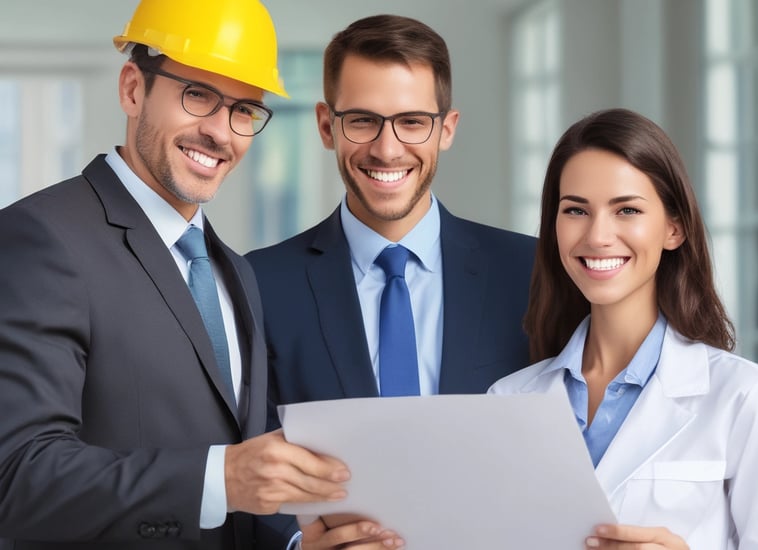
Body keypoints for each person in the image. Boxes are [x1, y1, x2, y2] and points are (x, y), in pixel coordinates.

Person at [0, 1, 351, 548]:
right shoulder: (40, 239)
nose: (220, 132)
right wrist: (219, 478)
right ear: (133, 89)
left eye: (243, 110)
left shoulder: (234, 271)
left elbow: (243, 478)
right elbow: (18, 479)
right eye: (198, 95)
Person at [245, 13, 536, 549]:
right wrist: (296, 544)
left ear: (446, 129)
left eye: (411, 121)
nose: (386, 149)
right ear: (325, 125)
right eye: (361, 120)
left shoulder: (531, 274)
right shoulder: (257, 283)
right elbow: (242, 455)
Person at [488, 108, 758, 549]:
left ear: (674, 228)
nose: (598, 236)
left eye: (627, 210)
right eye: (576, 209)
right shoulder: (507, 400)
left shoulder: (745, 398)